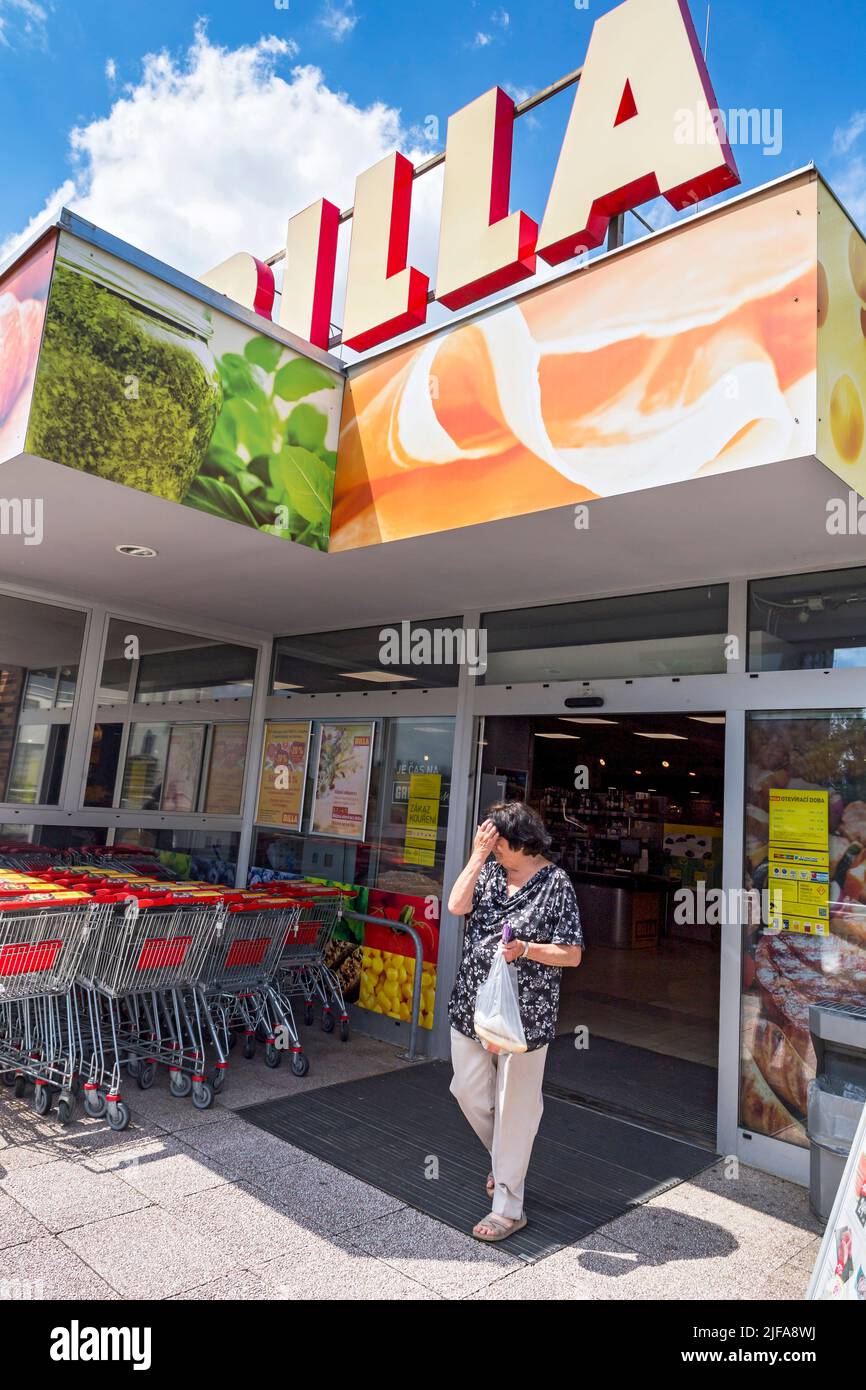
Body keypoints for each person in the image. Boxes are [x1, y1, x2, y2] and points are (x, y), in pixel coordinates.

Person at [447, 801, 584, 1242]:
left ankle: (508, 1206)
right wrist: (476, 857)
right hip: (472, 1003)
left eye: (499, 846)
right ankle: (505, 1157)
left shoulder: (556, 884)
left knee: (516, 1106)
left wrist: (526, 948)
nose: (494, 852)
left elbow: (573, 953)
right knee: (468, 1091)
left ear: (524, 845)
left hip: (527, 1012)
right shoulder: (487, 871)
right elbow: (455, 906)